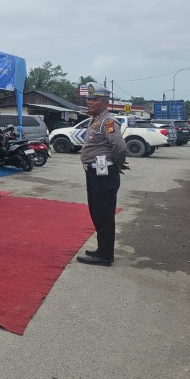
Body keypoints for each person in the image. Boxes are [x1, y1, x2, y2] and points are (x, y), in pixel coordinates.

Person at [76, 83, 129, 266]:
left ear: (105, 102)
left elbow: (120, 147)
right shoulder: (95, 119)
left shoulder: (107, 121)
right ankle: (102, 249)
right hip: (95, 173)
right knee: (97, 213)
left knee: (104, 214)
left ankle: (105, 256)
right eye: (88, 99)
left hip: (104, 175)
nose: (89, 102)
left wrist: (118, 164)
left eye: (94, 99)